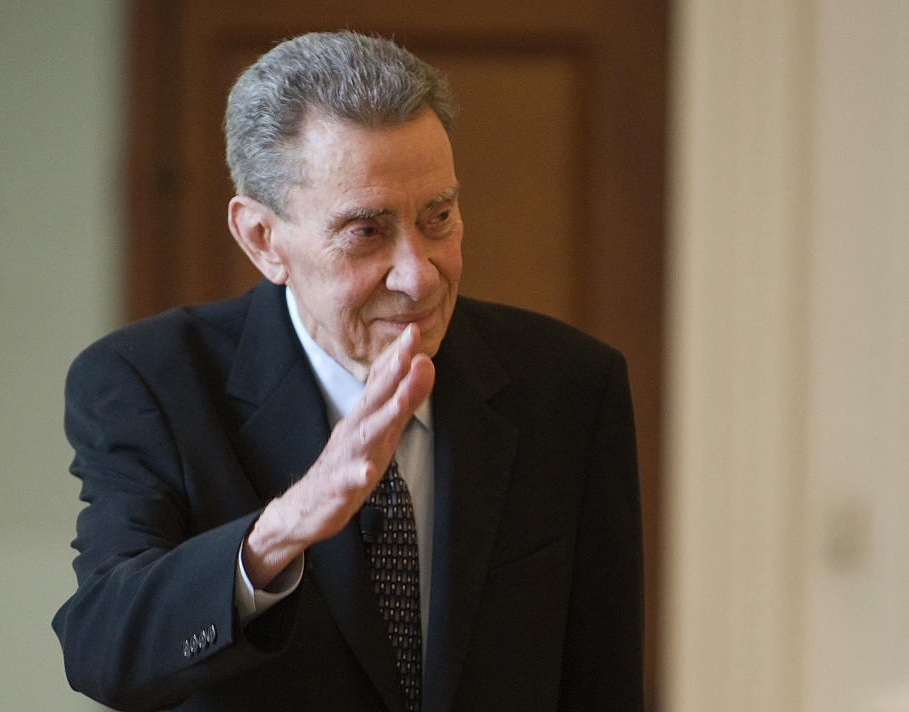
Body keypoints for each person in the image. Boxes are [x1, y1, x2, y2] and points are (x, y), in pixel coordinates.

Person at [52, 30, 643, 712]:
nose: (418, 275)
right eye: (367, 231)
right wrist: (285, 527)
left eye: (438, 218)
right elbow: (102, 650)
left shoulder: (569, 386)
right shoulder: (150, 382)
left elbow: (604, 679)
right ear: (262, 239)